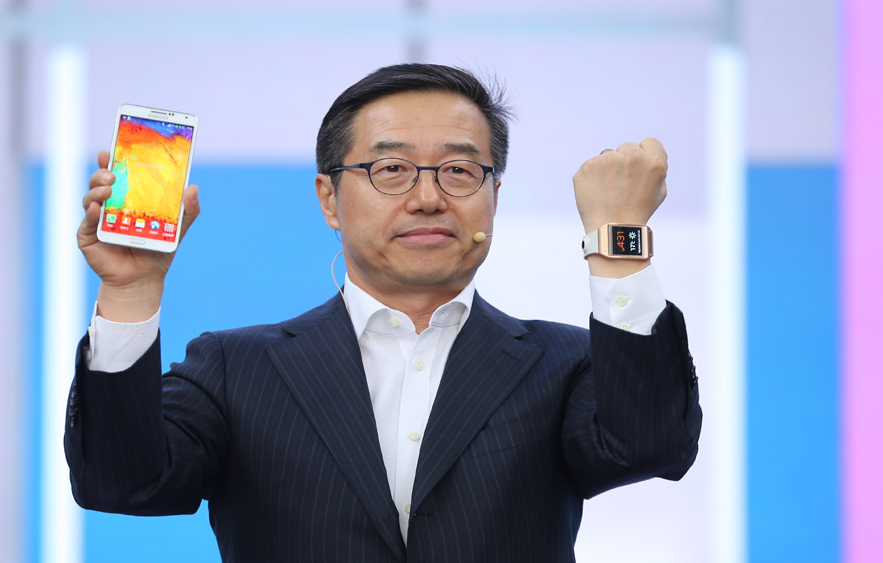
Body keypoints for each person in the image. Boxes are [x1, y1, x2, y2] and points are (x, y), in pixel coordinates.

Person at [66, 63, 702, 563]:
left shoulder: (562, 364)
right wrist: (132, 290)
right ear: (330, 199)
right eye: (391, 169)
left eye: (460, 170)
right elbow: (124, 483)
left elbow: (649, 447)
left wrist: (619, 241)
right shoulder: (235, 368)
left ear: (494, 195)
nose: (427, 197)